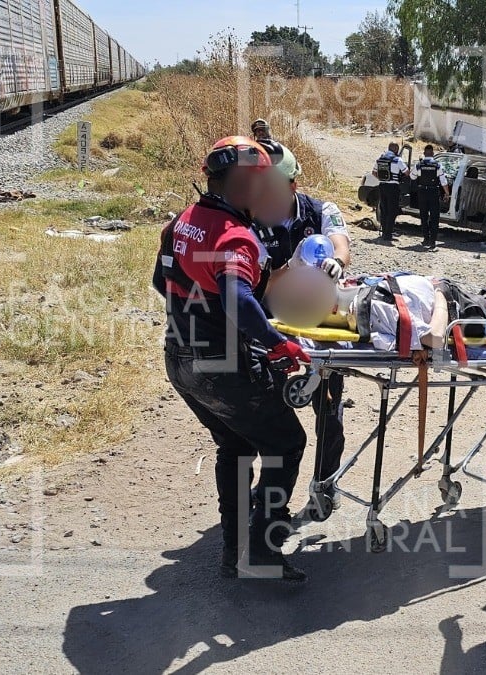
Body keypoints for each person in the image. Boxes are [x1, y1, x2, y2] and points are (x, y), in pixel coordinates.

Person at [152, 136, 310, 583]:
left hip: (179, 359)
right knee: (285, 444)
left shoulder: (184, 221)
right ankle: (261, 549)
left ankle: (232, 550)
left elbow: (159, 282)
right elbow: (239, 300)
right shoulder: (235, 238)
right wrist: (276, 343)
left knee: (236, 446)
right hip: (219, 365)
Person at [251, 140, 352, 514]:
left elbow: (341, 244)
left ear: (292, 185)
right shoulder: (251, 222)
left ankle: (325, 484)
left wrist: (336, 263)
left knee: (329, 414)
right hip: (274, 326)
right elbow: (259, 286)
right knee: (273, 422)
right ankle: (269, 502)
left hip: (322, 323)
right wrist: (289, 268)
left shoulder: (321, 210)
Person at [411, 144, 449, 250]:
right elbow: (443, 182)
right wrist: (446, 193)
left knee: (423, 216)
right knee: (434, 217)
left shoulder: (419, 165)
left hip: (422, 192)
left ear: (424, 153)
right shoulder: (438, 165)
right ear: (433, 154)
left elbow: (412, 176)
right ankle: (433, 241)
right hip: (433, 192)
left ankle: (425, 239)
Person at [372, 142, 409, 242]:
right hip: (393, 188)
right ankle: (388, 235)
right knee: (392, 211)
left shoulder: (380, 159)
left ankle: (384, 232)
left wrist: (381, 178)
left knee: (384, 210)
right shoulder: (398, 160)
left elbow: (374, 172)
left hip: (382, 186)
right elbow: (406, 172)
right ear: (396, 149)